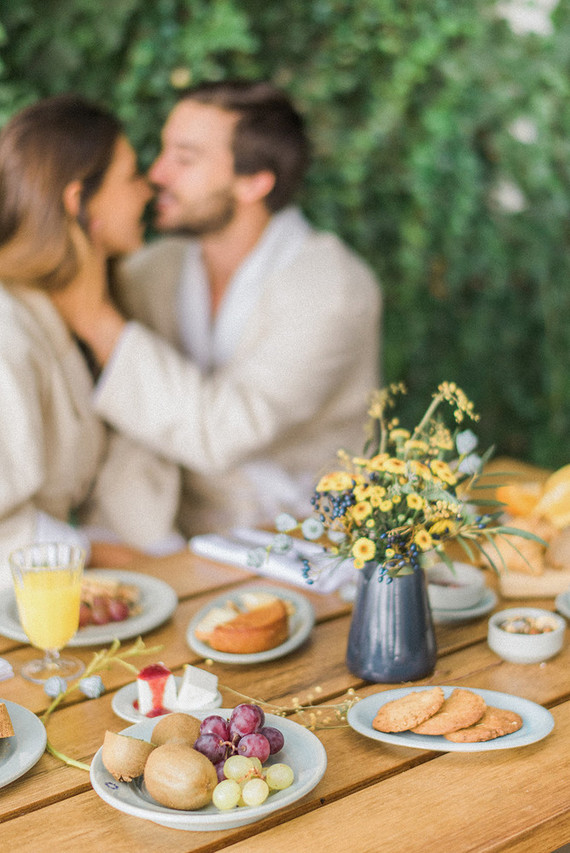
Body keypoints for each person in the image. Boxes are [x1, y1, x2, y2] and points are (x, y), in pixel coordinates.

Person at [56, 80, 382, 537]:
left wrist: (98, 321)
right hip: (169, 537)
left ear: (254, 182)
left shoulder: (335, 289)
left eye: (184, 159)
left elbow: (223, 433)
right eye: (163, 152)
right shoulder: (151, 270)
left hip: (307, 541)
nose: (157, 174)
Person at [0, 94, 183, 587]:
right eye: (131, 176)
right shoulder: (7, 331)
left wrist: (162, 554)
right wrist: (92, 553)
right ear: (78, 200)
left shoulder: (88, 308)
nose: (148, 189)